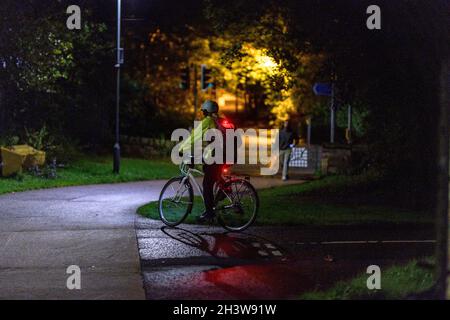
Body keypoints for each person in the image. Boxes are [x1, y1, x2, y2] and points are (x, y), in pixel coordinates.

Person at [180, 100, 222, 223]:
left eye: (203, 111)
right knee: (210, 176)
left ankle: (210, 213)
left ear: (206, 111)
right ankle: (213, 205)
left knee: (206, 185)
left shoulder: (208, 121)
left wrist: (182, 148)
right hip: (219, 155)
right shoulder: (216, 121)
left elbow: (195, 136)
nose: (202, 113)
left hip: (216, 156)